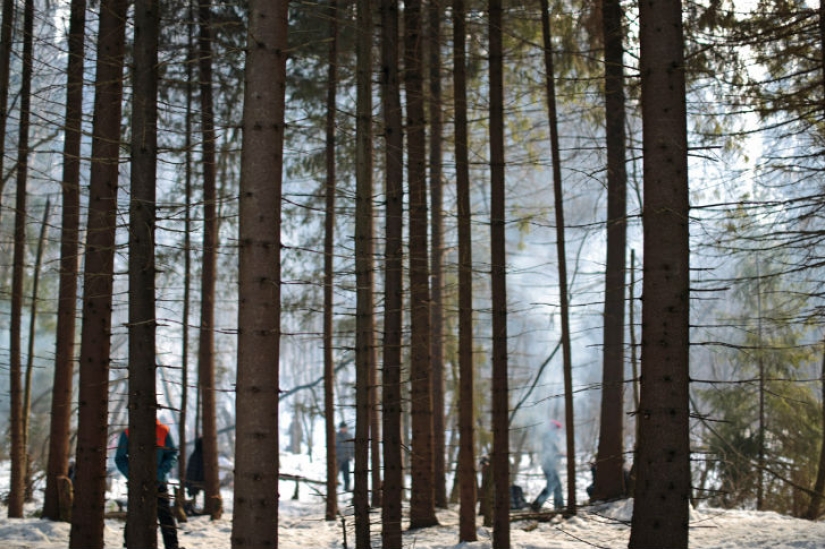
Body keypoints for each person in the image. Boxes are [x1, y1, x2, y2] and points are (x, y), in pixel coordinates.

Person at [115, 417, 181, 549]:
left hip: (159, 482)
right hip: (137, 483)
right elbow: (120, 458)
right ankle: (129, 543)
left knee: (165, 515)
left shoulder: (163, 431)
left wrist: (161, 472)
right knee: (134, 513)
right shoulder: (129, 432)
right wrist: (132, 475)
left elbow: (172, 454)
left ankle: (172, 546)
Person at [531, 418, 564, 512]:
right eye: (557, 429)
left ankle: (559, 507)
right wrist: (559, 454)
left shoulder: (552, 439)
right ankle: (536, 505)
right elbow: (549, 454)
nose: (558, 431)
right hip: (548, 466)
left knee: (557, 486)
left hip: (551, 466)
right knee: (551, 486)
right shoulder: (548, 439)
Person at [184, 437, 205, 516]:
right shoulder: (198, 455)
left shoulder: (196, 454)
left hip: (195, 480)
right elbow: (194, 470)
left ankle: (191, 507)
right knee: (194, 493)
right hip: (195, 480)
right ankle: (190, 507)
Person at [335, 421, 354, 491]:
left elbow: (352, 446)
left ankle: (347, 487)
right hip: (338, 459)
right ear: (340, 428)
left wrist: (352, 455)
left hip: (346, 459)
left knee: (346, 475)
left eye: (345, 428)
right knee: (335, 474)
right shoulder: (336, 436)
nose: (344, 429)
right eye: (343, 428)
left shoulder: (349, 436)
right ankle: (334, 487)